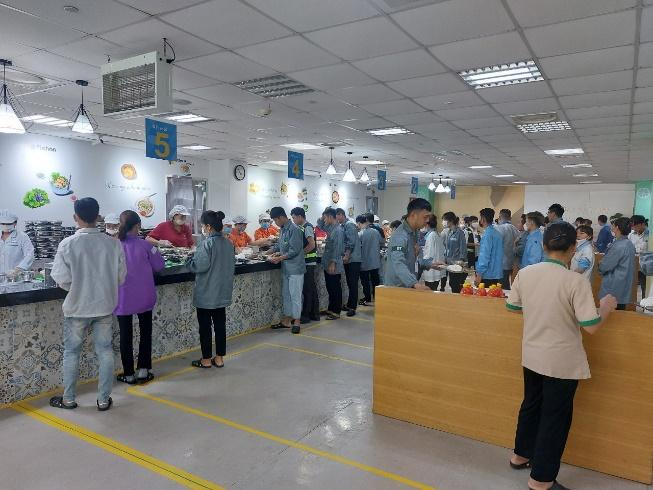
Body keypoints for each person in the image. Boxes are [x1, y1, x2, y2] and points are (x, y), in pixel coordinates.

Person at [507, 222, 617, 490]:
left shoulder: (526, 273)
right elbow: (591, 326)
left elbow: (513, 307)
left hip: (532, 355)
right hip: (561, 361)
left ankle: (520, 455)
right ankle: (541, 480)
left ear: (544, 245)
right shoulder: (575, 281)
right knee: (554, 418)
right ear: (572, 248)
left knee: (531, 405)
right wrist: (606, 307)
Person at [49, 198, 126, 412]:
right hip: (104, 307)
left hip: (77, 307)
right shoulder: (113, 244)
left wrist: (79, 288)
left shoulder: (67, 244)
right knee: (105, 351)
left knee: (72, 352)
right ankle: (103, 400)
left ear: (76, 217)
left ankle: (69, 399)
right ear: (98, 216)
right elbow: (121, 277)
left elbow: (61, 278)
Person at [114, 210, 165, 385]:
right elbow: (159, 266)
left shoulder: (113, 246)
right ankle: (143, 370)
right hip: (145, 297)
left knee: (125, 336)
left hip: (122, 298)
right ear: (137, 226)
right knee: (145, 333)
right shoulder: (147, 245)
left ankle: (128, 374)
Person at [186, 211, 235, 368]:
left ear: (208, 226)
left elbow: (199, 266)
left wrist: (189, 260)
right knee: (220, 326)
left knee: (205, 328)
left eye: (202, 226)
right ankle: (219, 358)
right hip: (222, 292)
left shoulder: (206, 244)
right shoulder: (229, 244)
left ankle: (206, 360)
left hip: (206, 294)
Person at [385, 198, 440, 290]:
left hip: (409, 284)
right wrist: (414, 283)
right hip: (397, 288)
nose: (427, 220)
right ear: (413, 215)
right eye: (425, 217)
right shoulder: (400, 236)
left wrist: (430, 264)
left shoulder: (415, 232)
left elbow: (412, 260)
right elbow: (398, 262)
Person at [267, 207, 305, 334]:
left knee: (295, 296)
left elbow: (294, 250)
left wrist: (280, 258)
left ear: (281, 217)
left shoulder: (295, 229)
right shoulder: (283, 229)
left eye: (275, 220)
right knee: (286, 295)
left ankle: (297, 322)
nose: (275, 223)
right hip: (286, 269)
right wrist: (267, 253)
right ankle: (287, 320)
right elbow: (280, 245)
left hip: (295, 269)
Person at [599, 217, 636, 310]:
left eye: (613, 225)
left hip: (613, 285)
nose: (611, 227)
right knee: (619, 310)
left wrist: (601, 264)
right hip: (623, 283)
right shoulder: (629, 244)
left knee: (610, 313)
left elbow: (606, 266)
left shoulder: (619, 246)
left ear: (617, 227)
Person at [291, 207, 320, 324]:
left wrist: (300, 254)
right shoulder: (303, 227)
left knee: (307, 290)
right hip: (307, 262)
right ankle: (314, 314)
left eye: (294, 218)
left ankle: (306, 315)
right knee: (311, 289)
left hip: (308, 262)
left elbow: (311, 244)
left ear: (300, 216)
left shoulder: (307, 227)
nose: (293, 220)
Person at [336, 208, 362, 317]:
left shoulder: (349, 225)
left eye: (337, 216)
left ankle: (353, 307)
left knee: (353, 283)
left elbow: (351, 242)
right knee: (349, 283)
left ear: (341, 214)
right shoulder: (342, 226)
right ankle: (350, 304)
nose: (336, 219)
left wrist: (347, 255)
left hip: (353, 259)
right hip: (348, 259)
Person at [321, 208, 345, 320]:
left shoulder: (338, 230)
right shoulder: (330, 228)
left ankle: (336, 311)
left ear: (330, 217)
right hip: (328, 262)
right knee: (330, 287)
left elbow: (337, 248)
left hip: (333, 263)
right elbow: (321, 226)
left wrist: (333, 263)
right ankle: (331, 308)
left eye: (325, 217)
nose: (324, 220)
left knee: (335, 288)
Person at [357, 214, 384, 304]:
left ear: (360, 223)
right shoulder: (376, 232)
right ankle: (377, 297)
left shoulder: (360, 234)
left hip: (364, 261)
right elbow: (382, 242)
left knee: (365, 282)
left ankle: (367, 298)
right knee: (375, 281)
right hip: (375, 261)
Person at [0, 209, 34, 277]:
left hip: (15, 277)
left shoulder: (22, 237)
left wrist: (18, 269)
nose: (5, 226)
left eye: (8, 224)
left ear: (15, 223)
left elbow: (29, 255)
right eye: (3, 223)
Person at [475, 208, 504, 287]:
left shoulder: (487, 234)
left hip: (487, 274)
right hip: (496, 273)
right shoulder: (497, 233)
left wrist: (479, 274)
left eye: (480, 218)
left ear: (483, 219)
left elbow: (484, 256)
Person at [441, 211, 467, 293]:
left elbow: (463, 248)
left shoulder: (459, 233)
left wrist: (461, 260)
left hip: (457, 263)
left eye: (445, 220)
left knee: (455, 284)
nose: (443, 222)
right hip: (449, 262)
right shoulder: (449, 232)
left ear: (451, 221)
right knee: (451, 283)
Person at [421, 215, 446, 291]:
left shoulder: (431, 235)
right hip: (436, 267)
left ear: (427, 224)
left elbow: (429, 253)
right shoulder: (437, 233)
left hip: (431, 268)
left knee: (430, 290)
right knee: (433, 288)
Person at [497, 209, 520, 289]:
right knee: (507, 283)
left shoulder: (499, 229)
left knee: (502, 286)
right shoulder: (515, 229)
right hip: (512, 262)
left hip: (501, 262)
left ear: (500, 217)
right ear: (510, 217)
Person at [629, 215, 649, 298]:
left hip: (645, 266)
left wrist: (635, 249)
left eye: (635, 226)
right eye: (632, 226)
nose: (634, 228)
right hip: (634, 264)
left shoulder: (649, 234)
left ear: (642, 224)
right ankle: (631, 303)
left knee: (645, 287)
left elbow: (645, 249)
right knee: (631, 286)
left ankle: (644, 302)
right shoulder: (631, 234)